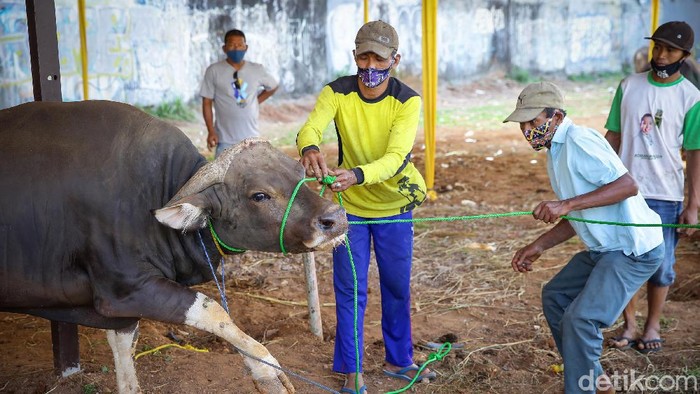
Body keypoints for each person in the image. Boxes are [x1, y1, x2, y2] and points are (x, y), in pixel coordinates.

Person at [296, 20, 431, 394]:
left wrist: (355, 174)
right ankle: (352, 370)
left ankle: (399, 360)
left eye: (379, 58)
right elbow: (310, 128)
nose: (370, 65)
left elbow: (395, 157)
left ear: (395, 60)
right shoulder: (336, 93)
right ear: (354, 56)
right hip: (351, 210)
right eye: (364, 56)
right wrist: (310, 148)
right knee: (350, 288)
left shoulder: (407, 100)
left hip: (394, 207)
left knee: (396, 286)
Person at [505, 81, 664, 393]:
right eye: (523, 123)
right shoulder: (556, 152)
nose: (526, 130)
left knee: (581, 319)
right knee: (556, 296)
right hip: (606, 249)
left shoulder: (579, 140)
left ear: (558, 116)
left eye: (534, 121)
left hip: (631, 249)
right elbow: (580, 212)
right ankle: (593, 378)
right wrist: (538, 245)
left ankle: (583, 386)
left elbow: (627, 185)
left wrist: (565, 204)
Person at [604, 21, 700, 354]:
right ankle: (629, 324)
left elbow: (694, 151)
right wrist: (598, 182)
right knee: (624, 259)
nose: (660, 56)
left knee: (661, 264)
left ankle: (652, 325)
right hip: (625, 191)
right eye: (656, 48)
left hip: (665, 194)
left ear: (685, 55)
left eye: (669, 50)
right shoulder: (628, 85)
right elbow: (612, 137)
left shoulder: (691, 97)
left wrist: (693, 204)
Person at [200, 29, 279, 157]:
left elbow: (273, 86)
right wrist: (211, 131)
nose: (236, 49)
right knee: (225, 177)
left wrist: (256, 101)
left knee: (253, 174)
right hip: (225, 140)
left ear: (246, 47)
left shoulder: (256, 69)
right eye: (232, 45)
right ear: (224, 48)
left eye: (240, 45)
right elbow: (207, 102)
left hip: (252, 139)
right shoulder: (214, 71)